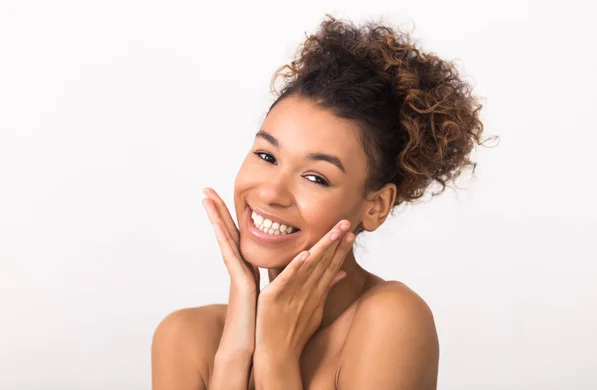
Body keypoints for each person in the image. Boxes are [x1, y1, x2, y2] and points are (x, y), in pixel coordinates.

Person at [151, 14, 490, 390]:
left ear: (375, 205)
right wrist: (235, 352)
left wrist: (275, 358)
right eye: (266, 156)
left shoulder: (391, 320)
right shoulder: (185, 337)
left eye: (316, 178)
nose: (270, 194)